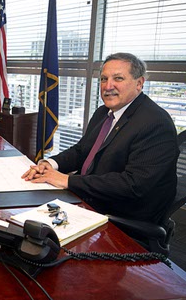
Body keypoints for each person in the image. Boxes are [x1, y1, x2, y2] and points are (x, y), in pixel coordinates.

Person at [22, 52, 178, 223]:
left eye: (118, 78)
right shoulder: (103, 112)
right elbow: (82, 151)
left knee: (38, 234)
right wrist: (49, 164)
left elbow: (133, 185)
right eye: (104, 79)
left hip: (118, 215)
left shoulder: (155, 123)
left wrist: (68, 180)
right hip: (89, 196)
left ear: (139, 83)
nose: (108, 86)